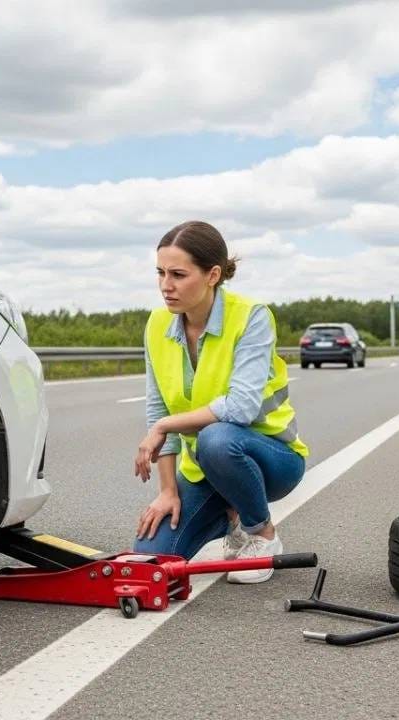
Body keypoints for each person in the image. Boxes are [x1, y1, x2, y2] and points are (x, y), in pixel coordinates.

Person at [133, 220, 309, 584]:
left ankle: (261, 534)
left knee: (217, 438)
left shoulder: (251, 317)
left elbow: (241, 408)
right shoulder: (156, 324)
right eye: (161, 273)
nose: (166, 286)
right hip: (207, 468)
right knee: (150, 560)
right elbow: (158, 408)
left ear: (213, 274)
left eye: (179, 274)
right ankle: (229, 517)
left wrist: (163, 427)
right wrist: (168, 491)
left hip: (270, 459)